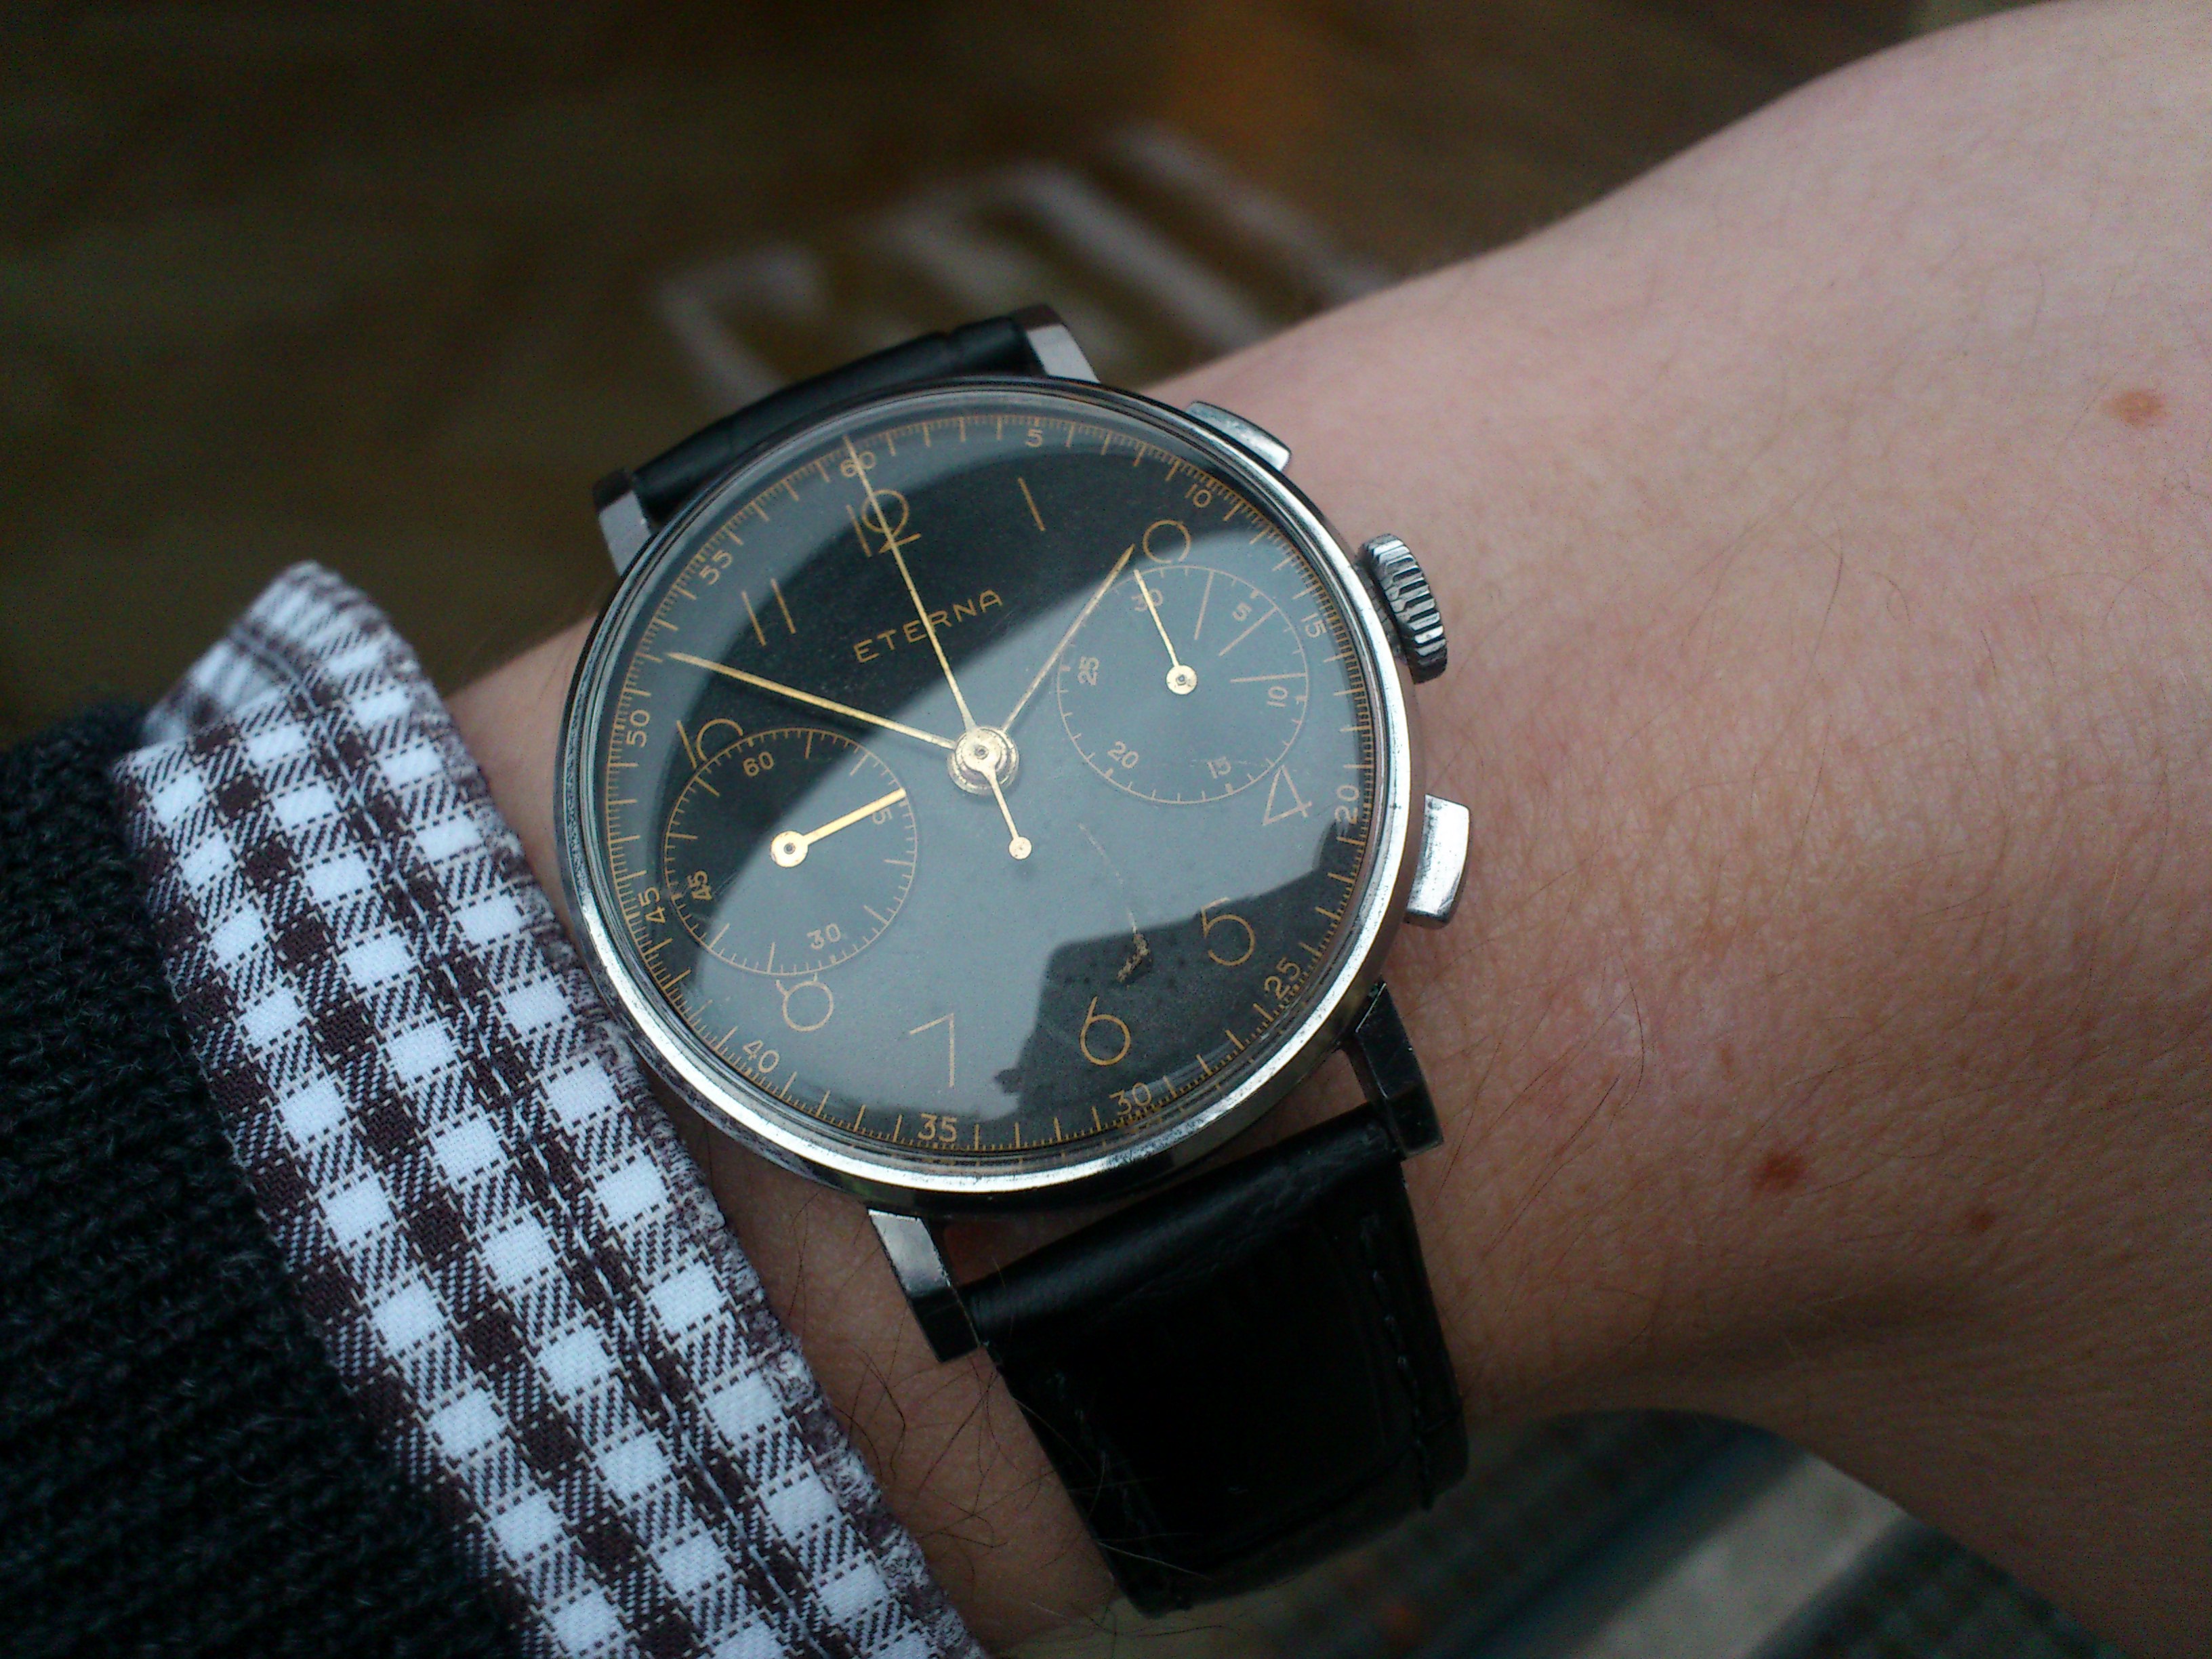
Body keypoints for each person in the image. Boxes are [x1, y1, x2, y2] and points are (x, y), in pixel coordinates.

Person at [3, 2, 2205, 1654]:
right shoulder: (872, 1164)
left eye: (988, 730)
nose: (976, 762)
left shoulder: (1301, 817)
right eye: (940, 749)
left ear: (1387, 623)